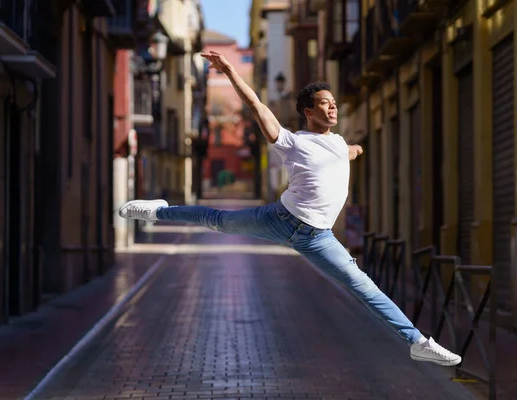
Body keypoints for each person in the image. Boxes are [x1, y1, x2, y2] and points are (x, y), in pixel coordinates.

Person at [118, 50, 461, 367]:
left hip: (318, 239)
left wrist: (357, 149)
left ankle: (417, 342)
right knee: (216, 220)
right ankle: (157, 211)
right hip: (279, 220)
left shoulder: (340, 145)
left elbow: (351, 150)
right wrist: (231, 71)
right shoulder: (292, 142)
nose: (332, 109)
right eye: (324, 104)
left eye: (334, 104)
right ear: (308, 111)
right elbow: (255, 104)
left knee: (364, 287)